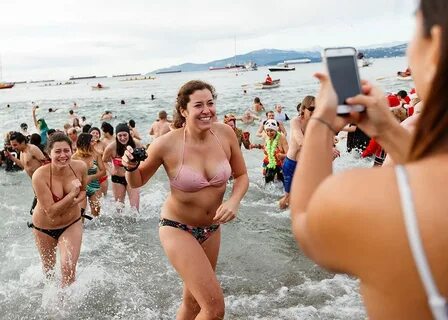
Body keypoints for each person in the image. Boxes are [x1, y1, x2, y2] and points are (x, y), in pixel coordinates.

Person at [290, 1, 448, 318]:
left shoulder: (389, 202)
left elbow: (307, 218)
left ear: (435, 49)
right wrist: (387, 129)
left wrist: (322, 121)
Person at [122, 80, 248, 319]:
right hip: (177, 228)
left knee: (194, 306)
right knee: (214, 308)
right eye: (198, 105)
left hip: (211, 229)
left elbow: (241, 176)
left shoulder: (225, 133)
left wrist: (234, 201)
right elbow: (136, 181)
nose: (206, 110)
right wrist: (130, 167)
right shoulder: (165, 144)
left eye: (210, 103)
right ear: (183, 110)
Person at [30, 133, 87, 287]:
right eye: (57, 151)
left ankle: (65, 308)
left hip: (71, 223)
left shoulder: (80, 167)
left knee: (68, 269)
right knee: (49, 271)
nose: (63, 155)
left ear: (72, 149)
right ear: (49, 153)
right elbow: (51, 211)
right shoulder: (39, 176)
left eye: (66, 150)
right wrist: (72, 195)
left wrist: (78, 196)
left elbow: (83, 191)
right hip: (44, 228)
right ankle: (50, 305)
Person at [102, 123, 142, 211]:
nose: (123, 138)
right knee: (119, 209)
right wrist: (110, 170)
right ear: (116, 136)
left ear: (129, 134)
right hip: (118, 178)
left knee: (135, 209)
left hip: (133, 178)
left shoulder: (137, 144)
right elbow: (104, 160)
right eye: (120, 135)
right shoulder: (111, 147)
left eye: (125, 135)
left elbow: (144, 160)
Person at [72, 133, 106, 216]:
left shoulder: (96, 155)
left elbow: (103, 171)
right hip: (80, 188)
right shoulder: (74, 158)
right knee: (81, 214)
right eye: (91, 141)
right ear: (85, 143)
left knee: (96, 216)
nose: (94, 142)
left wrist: (91, 177)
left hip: (94, 186)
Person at [89, 127, 109, 196]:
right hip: (93, 176)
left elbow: (109, 157)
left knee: (105, 196)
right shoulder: (87, 146)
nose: (95, 134)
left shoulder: (103, 144)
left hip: (103, 175)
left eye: (97, 133)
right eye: (93, 133)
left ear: (99, 135)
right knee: (98, 198)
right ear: (89, 135)